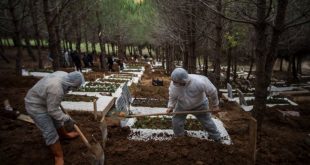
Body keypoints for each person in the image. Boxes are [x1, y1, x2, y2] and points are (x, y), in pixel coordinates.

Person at [24, 71, 85, 165]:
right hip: (35, 105)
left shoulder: (64, 75)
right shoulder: (56, 89)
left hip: (44, 99)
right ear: (71, 83)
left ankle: (64, 135)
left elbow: (53, 109)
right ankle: (58, 156)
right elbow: (52, 111)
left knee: (57, 120)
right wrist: (67, 118)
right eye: (74, 87)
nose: (73, 89)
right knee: (50, 131)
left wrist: (61, 115)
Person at [166, 68, 222, 142]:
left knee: (207, 122)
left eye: (177, 82)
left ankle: (216, 137)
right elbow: (172, 96)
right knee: (176, 121)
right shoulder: (174, 84)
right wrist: (170, 107)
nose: (174, 83)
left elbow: (213, 91)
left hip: (200, 105)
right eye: (174, 81)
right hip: (182, 106)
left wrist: (215, 105)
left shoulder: (200, 81)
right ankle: (179, 138)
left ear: (183, 81)